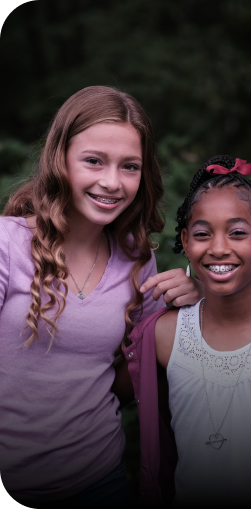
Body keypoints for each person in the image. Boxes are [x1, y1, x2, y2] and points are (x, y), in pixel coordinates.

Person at [0, 86, 203, 505]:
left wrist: (191, 305)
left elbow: (137, 371)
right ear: (61, 159)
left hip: (99, 478)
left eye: (130, 166)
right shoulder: (7, 243)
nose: (112, 182)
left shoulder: (137, 261)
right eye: (93, 161)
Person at [122, 155, 251, 507]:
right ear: (185, 242)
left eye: (238, 233)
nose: (218, 247)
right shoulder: (161, 335)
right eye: (202, 234)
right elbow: (101, 390)